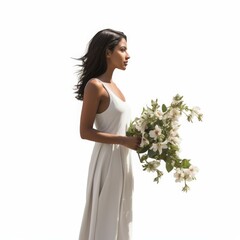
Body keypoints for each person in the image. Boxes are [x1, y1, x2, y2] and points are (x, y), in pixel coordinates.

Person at [74, 29, 141, 240]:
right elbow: (85, 131)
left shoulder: (116, 88)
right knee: (107, 214)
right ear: (107, 52)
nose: (127, 55)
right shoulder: (95, 86)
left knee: (122, 216)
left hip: (123, 159)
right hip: (107, 160)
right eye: (122, 50)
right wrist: (123, 140)